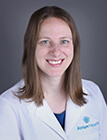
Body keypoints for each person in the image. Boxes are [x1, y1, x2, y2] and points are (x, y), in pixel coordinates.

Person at [0, 6, 107, 140]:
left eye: (64, 41)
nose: (56, 52)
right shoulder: (8, 106)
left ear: (74, 45)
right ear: (30, 46)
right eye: (45, 42)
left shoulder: (94, 94)